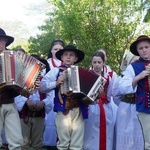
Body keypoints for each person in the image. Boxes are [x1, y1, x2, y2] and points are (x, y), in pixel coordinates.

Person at [40, 45, 88, 150]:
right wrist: (56, 82)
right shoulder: (56, 71)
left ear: (76, 58)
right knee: (63, 143)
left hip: (79, 110)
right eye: (66, 55)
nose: (68, 57)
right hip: (63, 110)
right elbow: (42, 87)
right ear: (61, 57)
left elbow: (88, 95)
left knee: (77, 144)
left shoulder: (82, 73)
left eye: (71, 55)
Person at [14, 55, 53, 150]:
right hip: (24, 116)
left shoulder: (44, 80)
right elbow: (15, 95)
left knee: (38, 144)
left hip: (39, 116)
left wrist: (43, 102)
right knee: (23, 144)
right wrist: (26, 101)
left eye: (40, 66)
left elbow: (51, 96)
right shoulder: (22, 79)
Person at [118, 35, 150, 150]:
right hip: (145, 108)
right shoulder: (133, 67)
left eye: (147, 47)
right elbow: (122, 87)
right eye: (141, 48)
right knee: (148, 143)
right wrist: (138, 77)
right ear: (137, 51)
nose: (144, 50)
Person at [83, 50, 117, 150]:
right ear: (91, 63)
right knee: (90, 131)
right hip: (91, 106)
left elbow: (110, 94)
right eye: (94, 62)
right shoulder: (87, 75)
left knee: (107, 130)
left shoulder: (108, 77)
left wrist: (103, 96)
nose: (97, 65)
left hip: (105, 107)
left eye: (99, 62)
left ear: (103, 63)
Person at [113, 51, 144, 150]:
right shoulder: (120, 78)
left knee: (139, 135)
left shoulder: (144, 75)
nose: (136, 63)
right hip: (125, 111)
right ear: (127, 63)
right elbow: (116, 96)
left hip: (139, 109)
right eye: (133, 61)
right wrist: (125, 104)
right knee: (125, 136)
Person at [0, 28, 23, 150]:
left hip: (10, 103)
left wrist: (31, 83)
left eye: (1, 40)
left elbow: (24, 79)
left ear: (5, 42)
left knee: (16, 140)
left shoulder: (14, 58)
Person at [43, 40, 65, 150]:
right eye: (55, 49)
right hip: (48, 99)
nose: (57, 51)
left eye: (60, 50)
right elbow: (42, 84)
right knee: (50, 129)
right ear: (51, 51)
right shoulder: (45, 64)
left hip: (63, 101)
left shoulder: (68, 65)